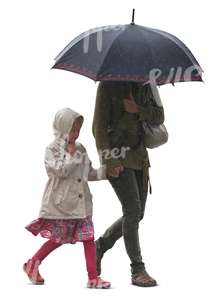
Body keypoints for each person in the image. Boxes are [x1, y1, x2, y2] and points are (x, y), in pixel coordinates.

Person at [23, 107, 111, 289]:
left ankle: (93, 277)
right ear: (62, 128)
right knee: (59, 238)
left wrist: (107, 172)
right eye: (72, 129)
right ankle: (33, 262)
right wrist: (71, 155)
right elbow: (57, 171)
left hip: (82, 203)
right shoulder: (52, 149)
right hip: (62, 204)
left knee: (88, 238)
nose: (76, 133)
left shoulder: (81, 148)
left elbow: (90, 173)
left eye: (78, 129)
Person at [92, 81, 165, 287]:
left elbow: (160, 116)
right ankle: (137, 270)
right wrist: (108, 161)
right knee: (132, 210)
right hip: (118, 158)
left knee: (137, 213)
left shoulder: (148, 86)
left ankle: (100, 245)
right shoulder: (108, 85)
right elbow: (98, 127)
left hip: (140, 157)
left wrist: (138, 109)